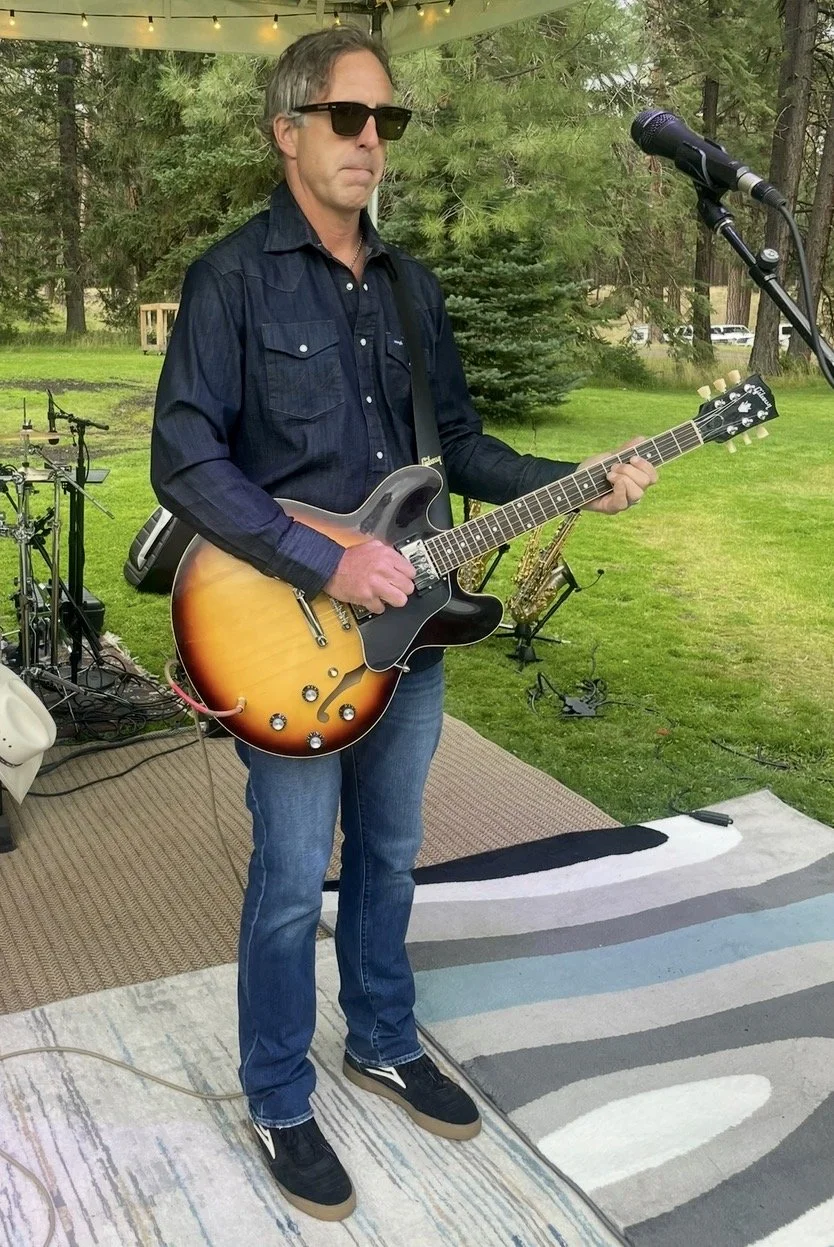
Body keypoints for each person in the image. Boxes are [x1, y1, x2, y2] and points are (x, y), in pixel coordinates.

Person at [150, 26, 657, 1223]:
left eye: (389, 122)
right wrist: (326, 556)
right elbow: (185, 454)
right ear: (288, 132)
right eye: (348, 118)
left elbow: (461, 451)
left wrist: (580, 472)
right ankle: (277, 1091)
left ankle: (380, 1034)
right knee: (287, 879)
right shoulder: (235, 277)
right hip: (283, 631)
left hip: (414, 635)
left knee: (387, 852)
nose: (372, 141)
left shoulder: (413, 286)